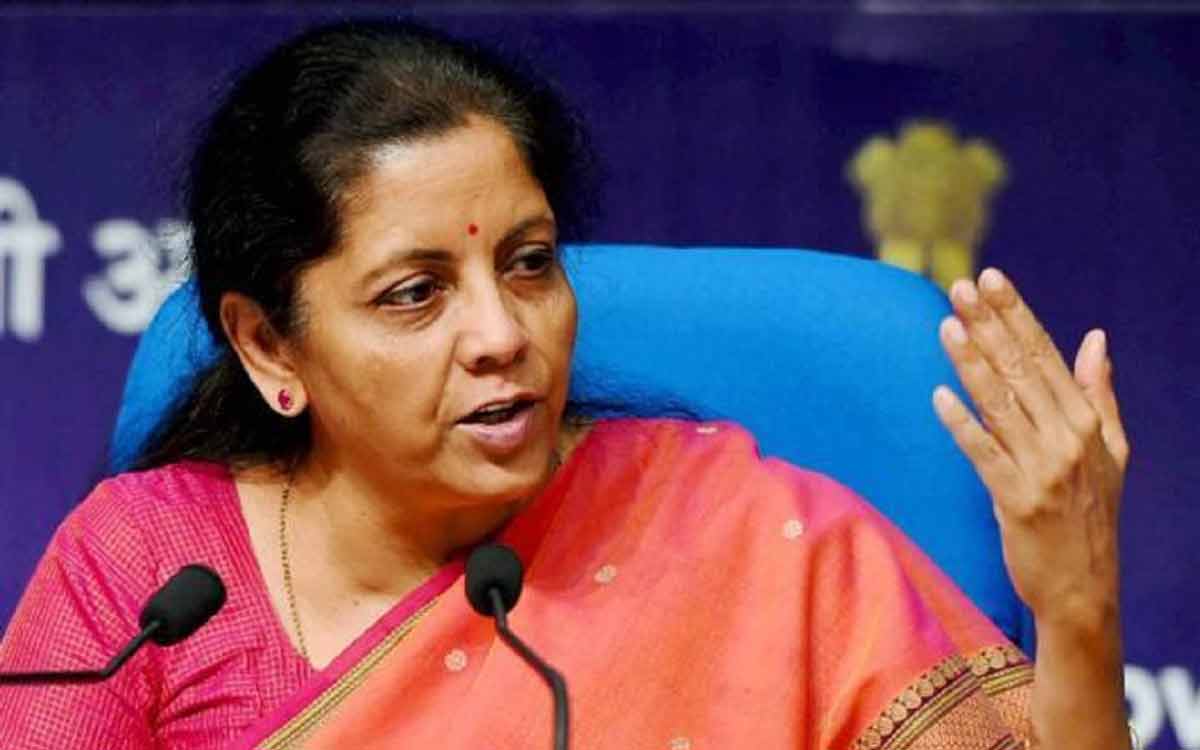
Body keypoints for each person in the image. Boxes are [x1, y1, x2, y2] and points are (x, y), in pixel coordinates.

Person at [0, 19, 1132, 750]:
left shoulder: (745, 537)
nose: (503, 335)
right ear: (268, 347)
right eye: (416, 294)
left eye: (530, 264)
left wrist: (1078, 611)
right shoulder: (146, 578)